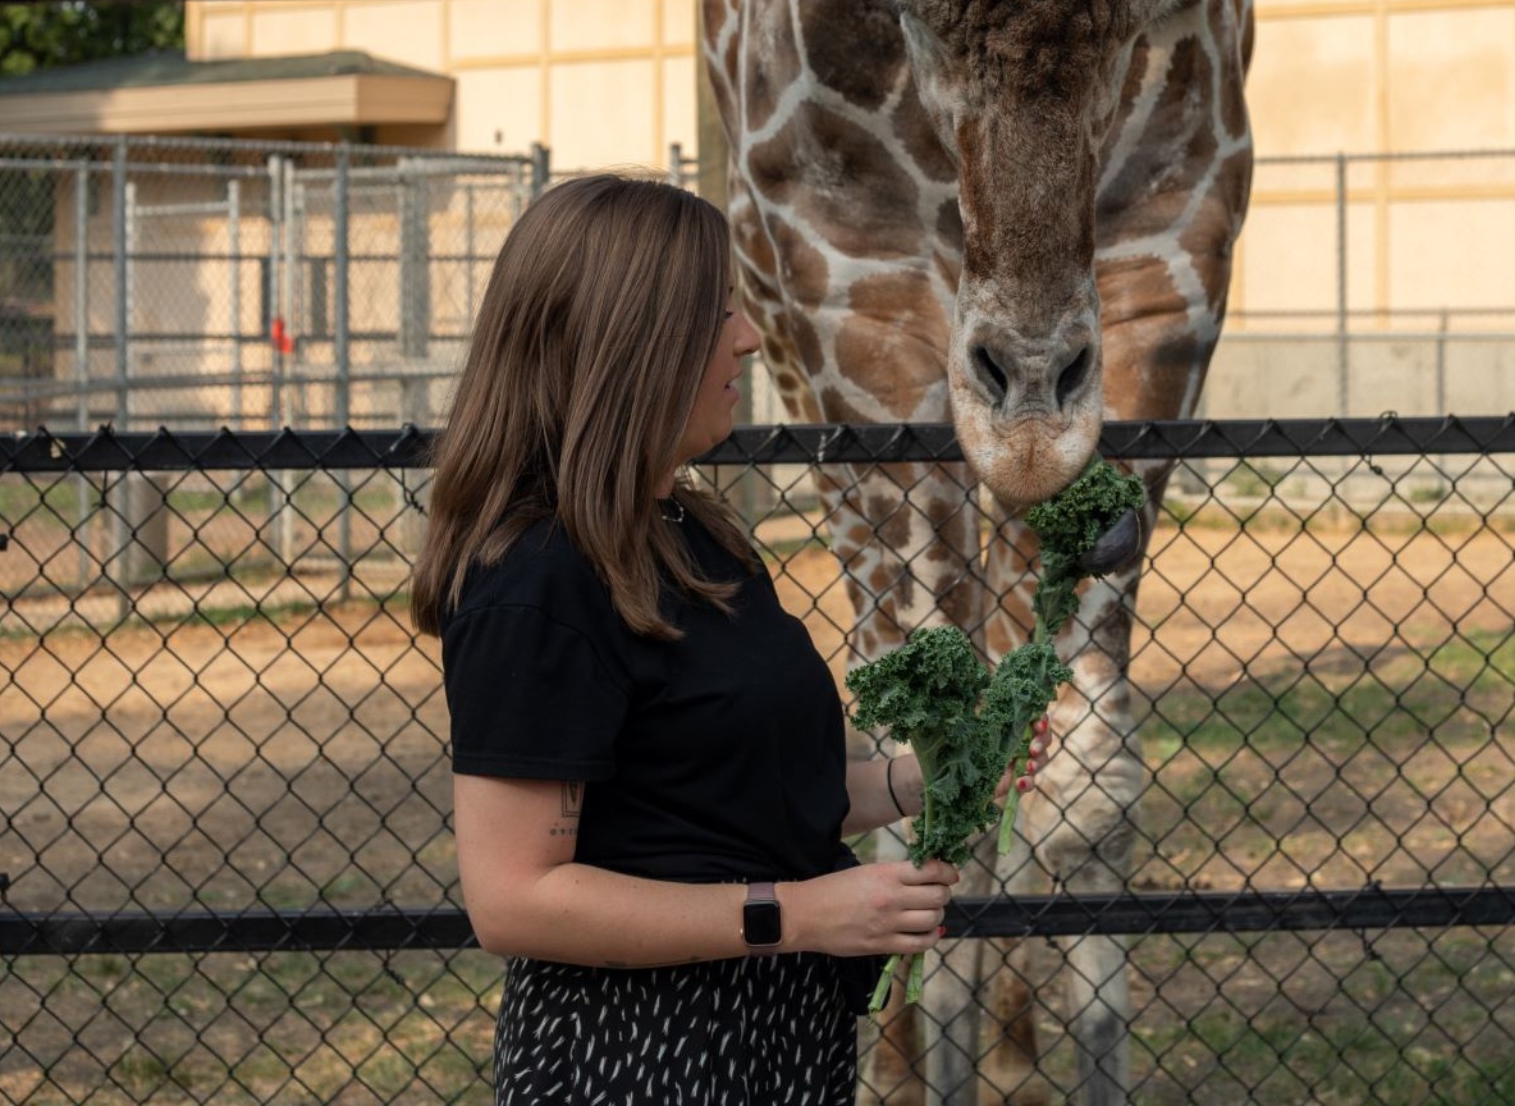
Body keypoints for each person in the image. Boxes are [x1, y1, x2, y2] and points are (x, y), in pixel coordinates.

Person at [410, 173, 1044, 1105]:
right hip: (638, 1058)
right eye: (718, 313)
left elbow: (737, 797)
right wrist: (795, 915)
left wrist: (934, 774)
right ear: (633, 343)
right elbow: (514, 900)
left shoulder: (689, 531)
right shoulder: (537, 579)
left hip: (773, 1038)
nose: (746, 336)